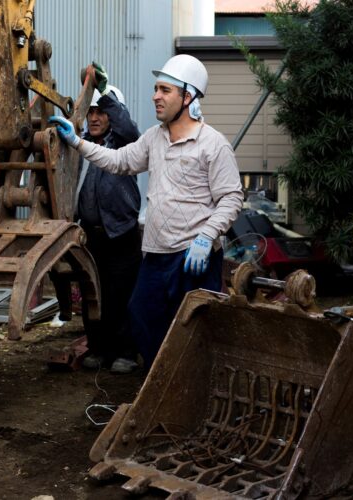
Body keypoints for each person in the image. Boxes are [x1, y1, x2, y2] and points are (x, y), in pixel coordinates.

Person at [50, 54, 243, 370]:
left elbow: (232, 198)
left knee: (195, 328)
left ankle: (193, 388)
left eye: (165, 90)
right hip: (155, 254)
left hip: (193, 255)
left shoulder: (213, 144)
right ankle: (162, 383)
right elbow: (119, 161)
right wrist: (77, 143)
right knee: (142, 317)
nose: (156, 96)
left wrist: (207, 237)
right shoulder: (155, 139)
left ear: (188, 95)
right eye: (156, 89)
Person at [76, 63, 143, 374]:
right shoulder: (80, 146)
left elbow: (129, 128)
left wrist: (104, 92)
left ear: (114, 115)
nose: (94, 117)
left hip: (121, 235)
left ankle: (126, 352)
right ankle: (99, 349)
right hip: (90, 236)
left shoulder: (126, 145)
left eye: (101, 112)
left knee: (122, 295)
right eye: (91, 112)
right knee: (93, 294)